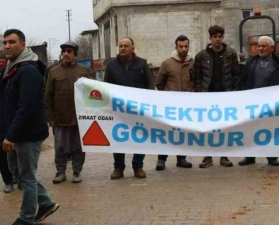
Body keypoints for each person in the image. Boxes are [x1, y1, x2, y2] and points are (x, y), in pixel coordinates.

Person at [0, 28, 60, 225]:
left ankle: (26, 219)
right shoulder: (11, 68)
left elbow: (27, 107)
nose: (7, 46)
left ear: (23, 45)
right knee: (18, 172)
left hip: (27, 133)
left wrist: (11, 135)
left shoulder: (28, 70)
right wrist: (1, 125)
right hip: (14, 131)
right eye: (5, 42)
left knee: (26, 176)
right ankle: (46, 203)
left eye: (12, 42)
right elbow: (7, 103)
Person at [45, 41, 94, 184]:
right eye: (63, 51)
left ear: (75, 54)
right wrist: (50, 117)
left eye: (69, 51)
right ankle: (60, 172)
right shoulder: (53, 72)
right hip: (60, 119)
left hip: (80, 118)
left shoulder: (84, 71)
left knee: (78, 147)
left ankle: (77, 172)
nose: (65, 53)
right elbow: (48, 96)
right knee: (60, 147)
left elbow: (94, 94)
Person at [237, 36, 279, 166]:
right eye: (259, 46)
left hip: (271, 104)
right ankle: (249, 156)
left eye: (263, 46)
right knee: (250, 129)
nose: (260, 48)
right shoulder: (250, 63)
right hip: (252, 103)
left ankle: (271, 156)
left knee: (270, 129)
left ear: (271, 48)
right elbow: (243, 80)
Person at [105, 37, 152, 179]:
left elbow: (150, 85)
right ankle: (118, 168)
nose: (123, 48)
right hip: (118, 110)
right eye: (120, 46)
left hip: (138, 110)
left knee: (139, 138)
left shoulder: (142, 64)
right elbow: (105, 86)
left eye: (126, 46)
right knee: (118, 138)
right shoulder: (111, 65)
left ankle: (138, 166)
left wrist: (148, 105)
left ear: (133, 48)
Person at [193, 25, 239, 168]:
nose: (217, 39)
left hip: (225, 95)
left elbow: (236, 74)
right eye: (215, 37)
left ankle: (224, 156)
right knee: (207, 127)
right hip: (207, 96)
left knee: (224, 127)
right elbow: (196, 76)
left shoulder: (231, 53)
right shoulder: (201, 55)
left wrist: (234, 91)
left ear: (222, 37)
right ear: (210, 38)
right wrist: (199, 91)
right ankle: (208, 157)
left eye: (220, 36)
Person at [154, 35, 195, 171]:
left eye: (186, 46)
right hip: (170, 106)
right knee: (166, 132)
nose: (183, 49)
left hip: (187, 105)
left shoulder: (194, 63)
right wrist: (168, 95)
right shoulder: (167, 64)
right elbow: (159, 83)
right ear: (176, 47)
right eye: (180, 46)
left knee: (182, 132)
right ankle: (161, 159)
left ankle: (181, 158)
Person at [0, 51, 19, 193]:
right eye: (0, 61)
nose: (3, 63)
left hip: (13, 120)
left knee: (17, 152)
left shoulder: (17, 73)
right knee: (2, 153)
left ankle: (19, 178)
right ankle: (8, 181)